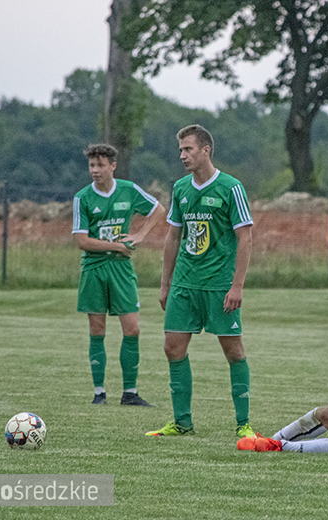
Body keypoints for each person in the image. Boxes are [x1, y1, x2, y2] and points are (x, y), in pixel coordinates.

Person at [146, 124, 255, 438]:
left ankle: (243, 424)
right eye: (180, 150)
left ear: (206, 150)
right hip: (184, 284)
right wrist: (165, 284)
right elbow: (173, 237)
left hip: (219, 285)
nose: (182, 155)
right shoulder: (180, 188)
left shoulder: (231, 187)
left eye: (188, 149)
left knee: (233, 351)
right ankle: (182, 422)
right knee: (172, 348)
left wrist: (237, 285)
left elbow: (245, 238)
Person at [72, 143, 166, 406]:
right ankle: (99, 393)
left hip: (121, 270)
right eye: (92, 165)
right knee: (97, 329)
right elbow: (82, 240)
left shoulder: (128, 190)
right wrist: (118, 246)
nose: (95, 170)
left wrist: (140, 235)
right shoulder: (82, 197)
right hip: (94, 269)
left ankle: (130, 393)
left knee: (133, 329)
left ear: (113, 166)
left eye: (101, 165)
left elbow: (159, 210)